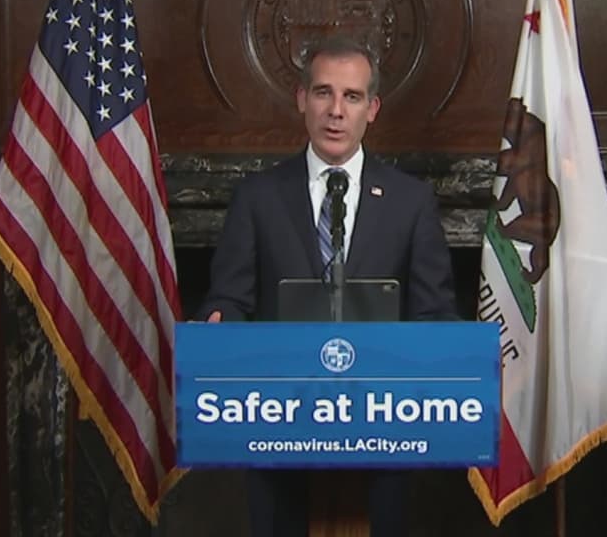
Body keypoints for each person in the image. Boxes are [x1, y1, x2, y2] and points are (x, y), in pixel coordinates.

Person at [196, 34, 459, 537]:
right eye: (323, 93)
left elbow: (434, 312)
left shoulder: (411, 202)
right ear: (302, 99)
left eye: (352, 96)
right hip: (279, 426)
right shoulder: (257, 197)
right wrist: (218, 326)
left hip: (383, 428)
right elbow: (229, 298)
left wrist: (457, 351)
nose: (336, 111)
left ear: (372, 109)